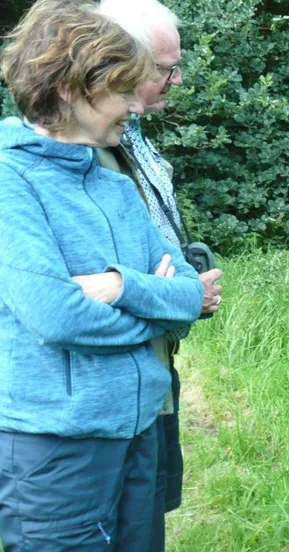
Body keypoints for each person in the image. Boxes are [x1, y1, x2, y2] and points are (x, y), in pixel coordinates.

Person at [0, 1, 204, 550]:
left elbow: (188, 290)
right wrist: (153, 315)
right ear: (70, 89)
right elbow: (56, 315)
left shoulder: (115, 184)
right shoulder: (10, 180)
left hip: (139, 432)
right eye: (121, 92)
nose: (134, 108)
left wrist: (121, 288)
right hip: (57, 446)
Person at [95, 1, 223, 549]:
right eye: (164, 69)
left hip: (154, 359)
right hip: (114, 379)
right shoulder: (84, 151)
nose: (177, 79)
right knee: (123, 517)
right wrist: (179, 296)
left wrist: (186, 291)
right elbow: (91, 285)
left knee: (149, 511)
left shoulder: (134, 133)